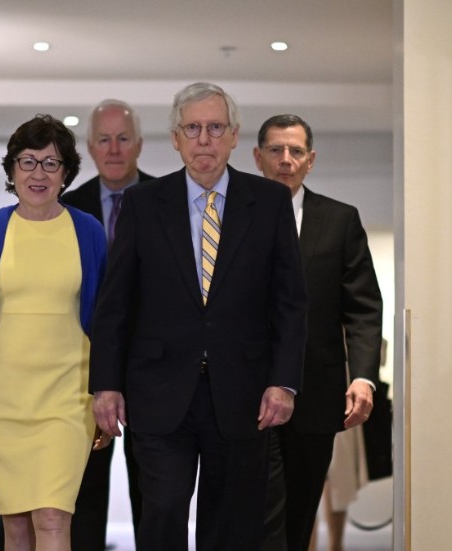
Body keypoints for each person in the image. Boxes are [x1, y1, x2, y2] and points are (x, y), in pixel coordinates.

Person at [89, 82, 308, 550]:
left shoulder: (269, 203)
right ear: (175, 138)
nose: (204, 139)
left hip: (245, 394)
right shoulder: (143, 204)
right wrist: (106, 383)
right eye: (193, 128)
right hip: (159, 391)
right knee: (163, 509)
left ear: (233, 137)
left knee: (231, 524)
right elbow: (115, 303)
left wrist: (284, 381)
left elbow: (290, 302)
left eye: (215, 128)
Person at [0, 114, 110, 551]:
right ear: (12, 169)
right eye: (28, 162)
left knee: (52, 517)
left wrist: (109, 389)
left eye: (51, 164)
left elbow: (108, 319)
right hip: (4, 397)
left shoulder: (87, 230)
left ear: (66, 174)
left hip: (68, 396)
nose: (38, 173)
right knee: (15, 525)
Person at [253, 114, 384, 551]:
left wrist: (363, 376)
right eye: (275, 150)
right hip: (244, 393)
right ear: (257, 158)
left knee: (298, 511)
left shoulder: (340, 220)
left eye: (295, 152)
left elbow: (363, 307)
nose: (285, 160)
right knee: (255, 511)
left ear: (311, 161)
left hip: (315, 394)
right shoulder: (232, 218)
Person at [61, 99, 154, 550]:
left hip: (156, 374)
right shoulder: (64, 209)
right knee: (83, 496)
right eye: (104, 139)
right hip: (82, 373)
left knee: (156, 498)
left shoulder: (170, 202)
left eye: (123, 138)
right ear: (90, 148)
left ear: (138, 144)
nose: (114, 149)